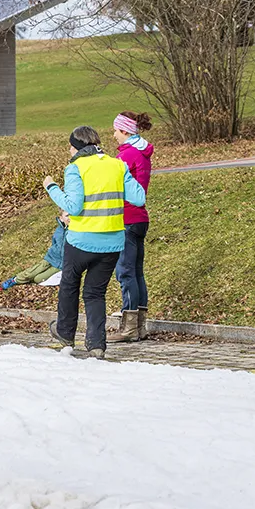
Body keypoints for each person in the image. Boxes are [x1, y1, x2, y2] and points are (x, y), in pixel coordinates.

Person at [43, 126, 146, 360]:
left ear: (77, 147)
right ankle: (96, 345)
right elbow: (138, 198)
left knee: (70, 286)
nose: (69, 151)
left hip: (81, 241)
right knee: (95, 293)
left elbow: (73, 206)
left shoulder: (75, 168)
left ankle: (65, 333)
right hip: (112, 244)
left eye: (70, 147)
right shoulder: (117, 165)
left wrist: (51, 187)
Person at [109, 111, 154, 343]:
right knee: (136, 272)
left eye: (116, 130)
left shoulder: (126, 156)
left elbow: (113, 186)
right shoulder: (143, 153)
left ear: (125, 131)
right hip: (140, 219)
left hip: (126, 218)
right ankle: (140, 327)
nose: (114, 135)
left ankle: (128, 329)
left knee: (125, 273)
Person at [0, 211, 69, 290]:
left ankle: (28, 280)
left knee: (38, 279)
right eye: (67, 215)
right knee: (30, 272)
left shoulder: (75, 232)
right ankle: (15, 280)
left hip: (62, 264)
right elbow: (54, 243)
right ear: (61, 218)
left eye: (72, 215)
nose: (70, 218)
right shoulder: (59, 230)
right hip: (51, 259)